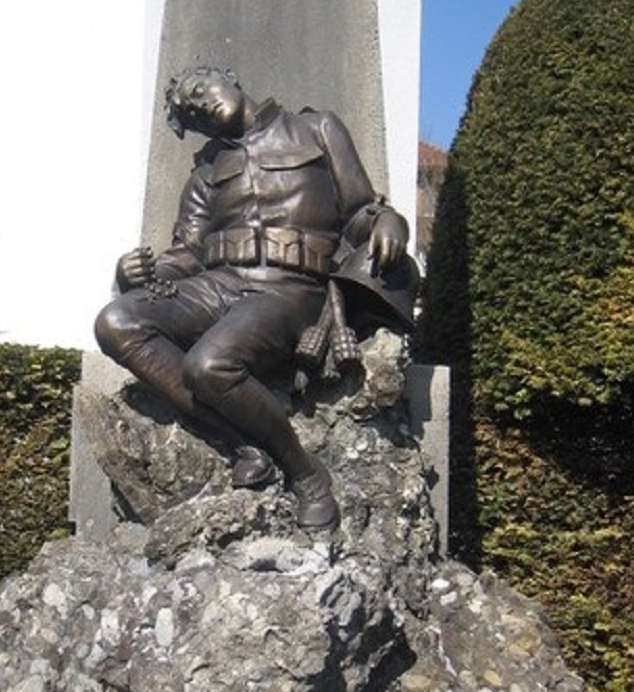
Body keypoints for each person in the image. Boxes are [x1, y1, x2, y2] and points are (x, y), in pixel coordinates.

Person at [94, 66, 409, 529]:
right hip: (216, 284)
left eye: (200, 90)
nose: (199, 105)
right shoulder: (204, 172)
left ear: (230, 78)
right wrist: (136, 274)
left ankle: (304, 470)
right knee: (116, 322)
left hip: (290, 289)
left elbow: (359, 212)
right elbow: (185, 254)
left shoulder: (317, 128)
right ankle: (242, 442)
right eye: (190, 111)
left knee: (209, 365)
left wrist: (388, 221)